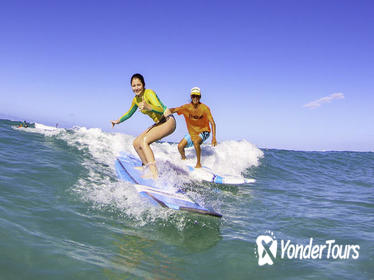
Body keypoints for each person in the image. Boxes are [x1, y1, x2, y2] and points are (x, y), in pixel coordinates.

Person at [111, 73, 176, 179]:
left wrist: (148, 106)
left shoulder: (149, 93)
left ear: (143, 85)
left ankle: (154, 174)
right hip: (159, 123)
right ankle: (146, 166)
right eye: (134, 85)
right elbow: (129, 113)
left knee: (144, 141)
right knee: (136, 143)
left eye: (138, 85)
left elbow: (161, 109)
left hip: (168, 120)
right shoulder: (136, 100)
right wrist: (117, 121)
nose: (136, 88)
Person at [170, 87, 217, 168]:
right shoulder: (186, 107)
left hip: (205, 131)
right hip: (193, 133)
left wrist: (214, 137)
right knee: (180, 146)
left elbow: (212, 123)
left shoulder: (205, 108)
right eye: (193, 96)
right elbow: (174, 109)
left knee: (196, 142)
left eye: (197, 96)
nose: (195, 98)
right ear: (191, 97)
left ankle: (198, 164)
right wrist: (165, 111)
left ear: (200, 97)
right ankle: (184, 160)